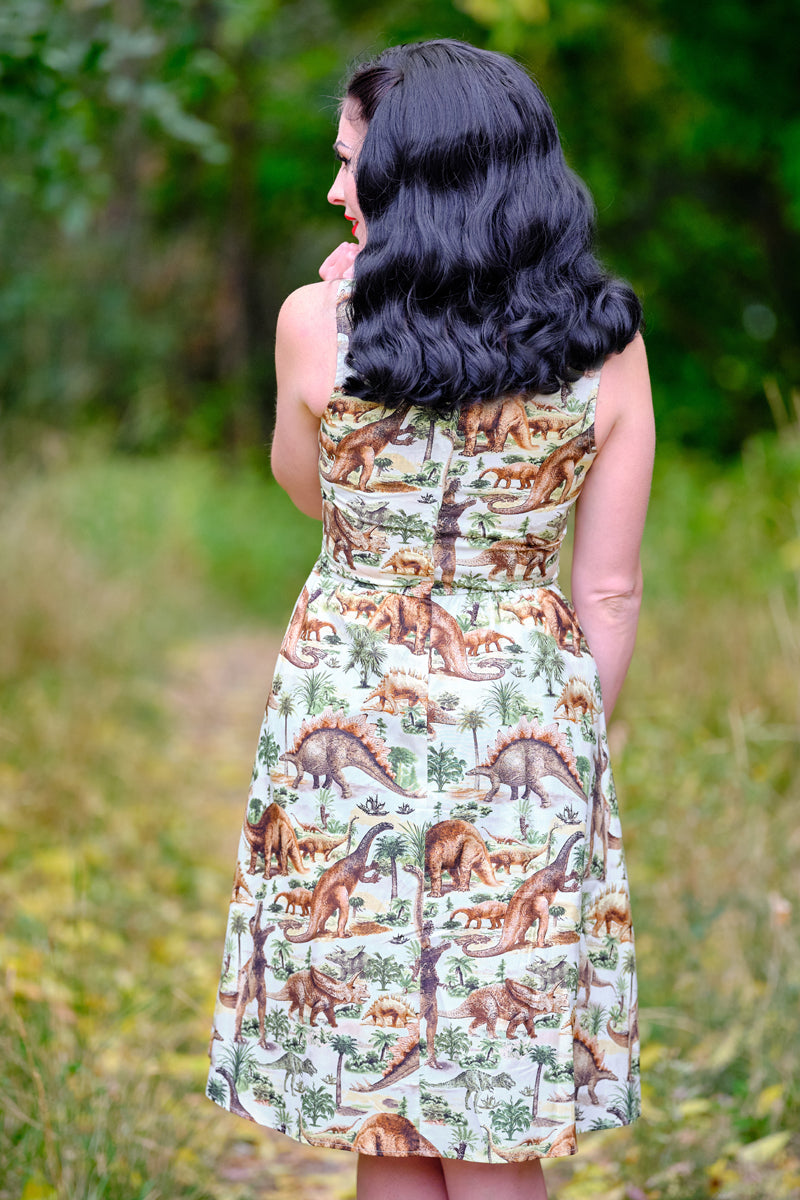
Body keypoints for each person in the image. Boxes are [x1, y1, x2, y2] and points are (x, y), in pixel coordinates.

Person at [206, 39, 654, 1200]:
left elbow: (309, 493)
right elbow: (607, 587)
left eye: (352, 165)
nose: (333, 190)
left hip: (344, 719)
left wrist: (328, 304)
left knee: (386, 1106)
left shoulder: (318, 323)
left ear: (419, 176)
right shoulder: (601, 342)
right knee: (490, 1101)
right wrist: (563, 747)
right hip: (527, 727)